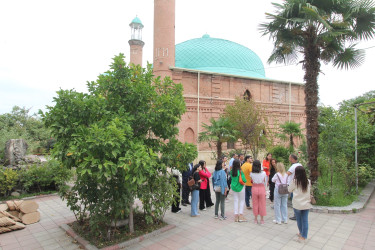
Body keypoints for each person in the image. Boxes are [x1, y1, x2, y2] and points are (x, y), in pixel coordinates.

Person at [288, 166, 312, 243]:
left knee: (299, 220)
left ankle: (301, 233)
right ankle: (304, 236)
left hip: (297, 204)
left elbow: (289, 189)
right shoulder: (308, 181)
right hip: (306, 203)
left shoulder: (295, 181)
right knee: (305, 220)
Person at [287, 154, 303, 220]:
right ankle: (299, 214)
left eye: (289, 158)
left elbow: (287, 174)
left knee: (294, 200)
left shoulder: (293, 166)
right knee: (298, 200)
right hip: (300, 184)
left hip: (293, 185)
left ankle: (296, 215)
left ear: (292, 159)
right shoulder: (300, 165)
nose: (289, 159)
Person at [250, 160, 267, 224]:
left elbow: (251, 180)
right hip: (261, 187)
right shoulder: (263, 173)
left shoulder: (251, 173)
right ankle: (262, 219)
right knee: (262, 204)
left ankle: (255, 219)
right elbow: (265, 182)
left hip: (254, 188)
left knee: (255, 204)